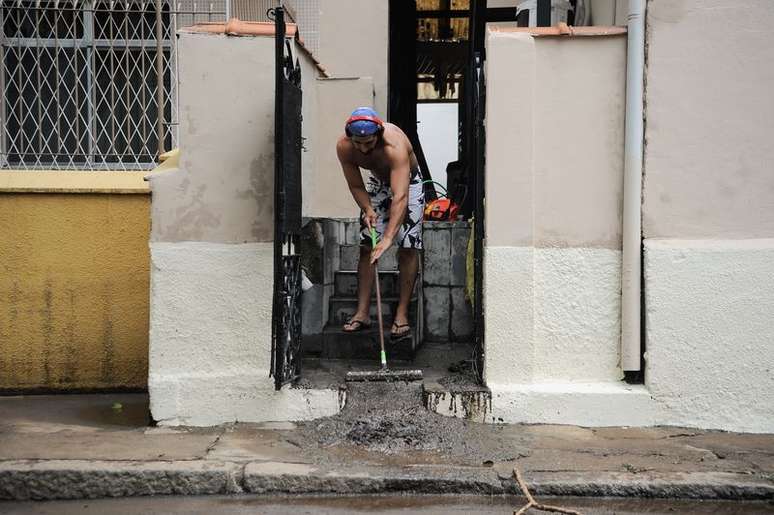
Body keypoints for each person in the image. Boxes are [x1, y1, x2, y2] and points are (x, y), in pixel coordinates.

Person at [336, 107, 424, 341]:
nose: (364, 149)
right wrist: (367, 208)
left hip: (408, 185)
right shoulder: (344, 147)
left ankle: (402, 314)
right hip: (377, 182)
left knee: (407, 245)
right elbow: (356, 185)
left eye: (369, 142)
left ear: (379, 134)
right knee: (367, 246)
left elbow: (400, 197)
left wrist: (387, 239)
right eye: (358, 143)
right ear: (350, 137)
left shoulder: (394, 146)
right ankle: (362, 313)